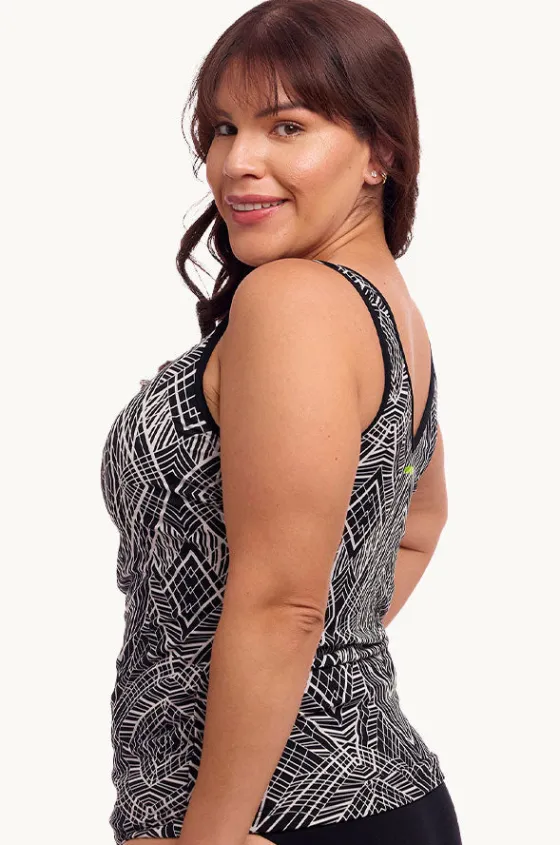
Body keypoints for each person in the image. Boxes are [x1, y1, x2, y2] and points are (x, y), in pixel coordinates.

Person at [100, 1, 463, 843]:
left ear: (379, 152)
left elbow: (283, 605)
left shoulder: (293, 301)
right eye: (224, 128)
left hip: (276, 819)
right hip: (371, 801)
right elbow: (419, 526)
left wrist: (210, 836)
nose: (237, 162)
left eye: (287, 126)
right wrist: (332, 659)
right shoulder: (391, 318)